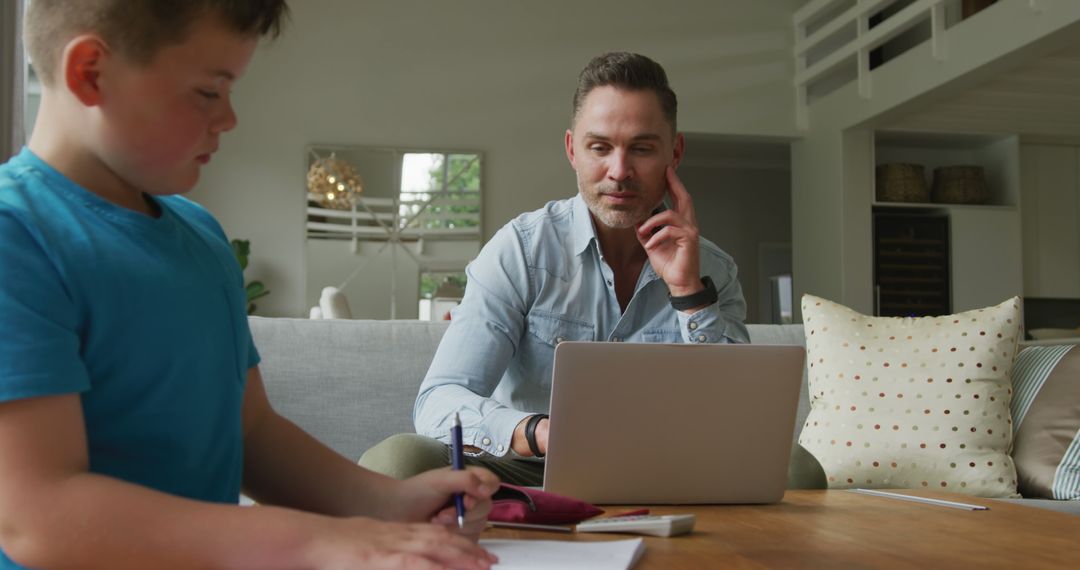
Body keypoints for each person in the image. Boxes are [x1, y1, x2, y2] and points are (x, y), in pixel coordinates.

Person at [0, 2, 498, 569]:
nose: (230, 118)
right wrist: (312, 541)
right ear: (90, 72)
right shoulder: (16, 237)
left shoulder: (201, 236)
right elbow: (38, 515)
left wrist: (387, 502)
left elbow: (253, 432)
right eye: (210, 92)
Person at [360, 52, 823, 489]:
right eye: (599, 147)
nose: (618, 171)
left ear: (674, 153)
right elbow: (440, 399)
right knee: (397, 461)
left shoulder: (713, 270)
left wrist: (686, 290)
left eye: (641, 148)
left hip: (668, 469)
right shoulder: (520, 250)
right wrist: (538, 432)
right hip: (528, 466)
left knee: (796, 470)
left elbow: (737, 419)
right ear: (572, 150)